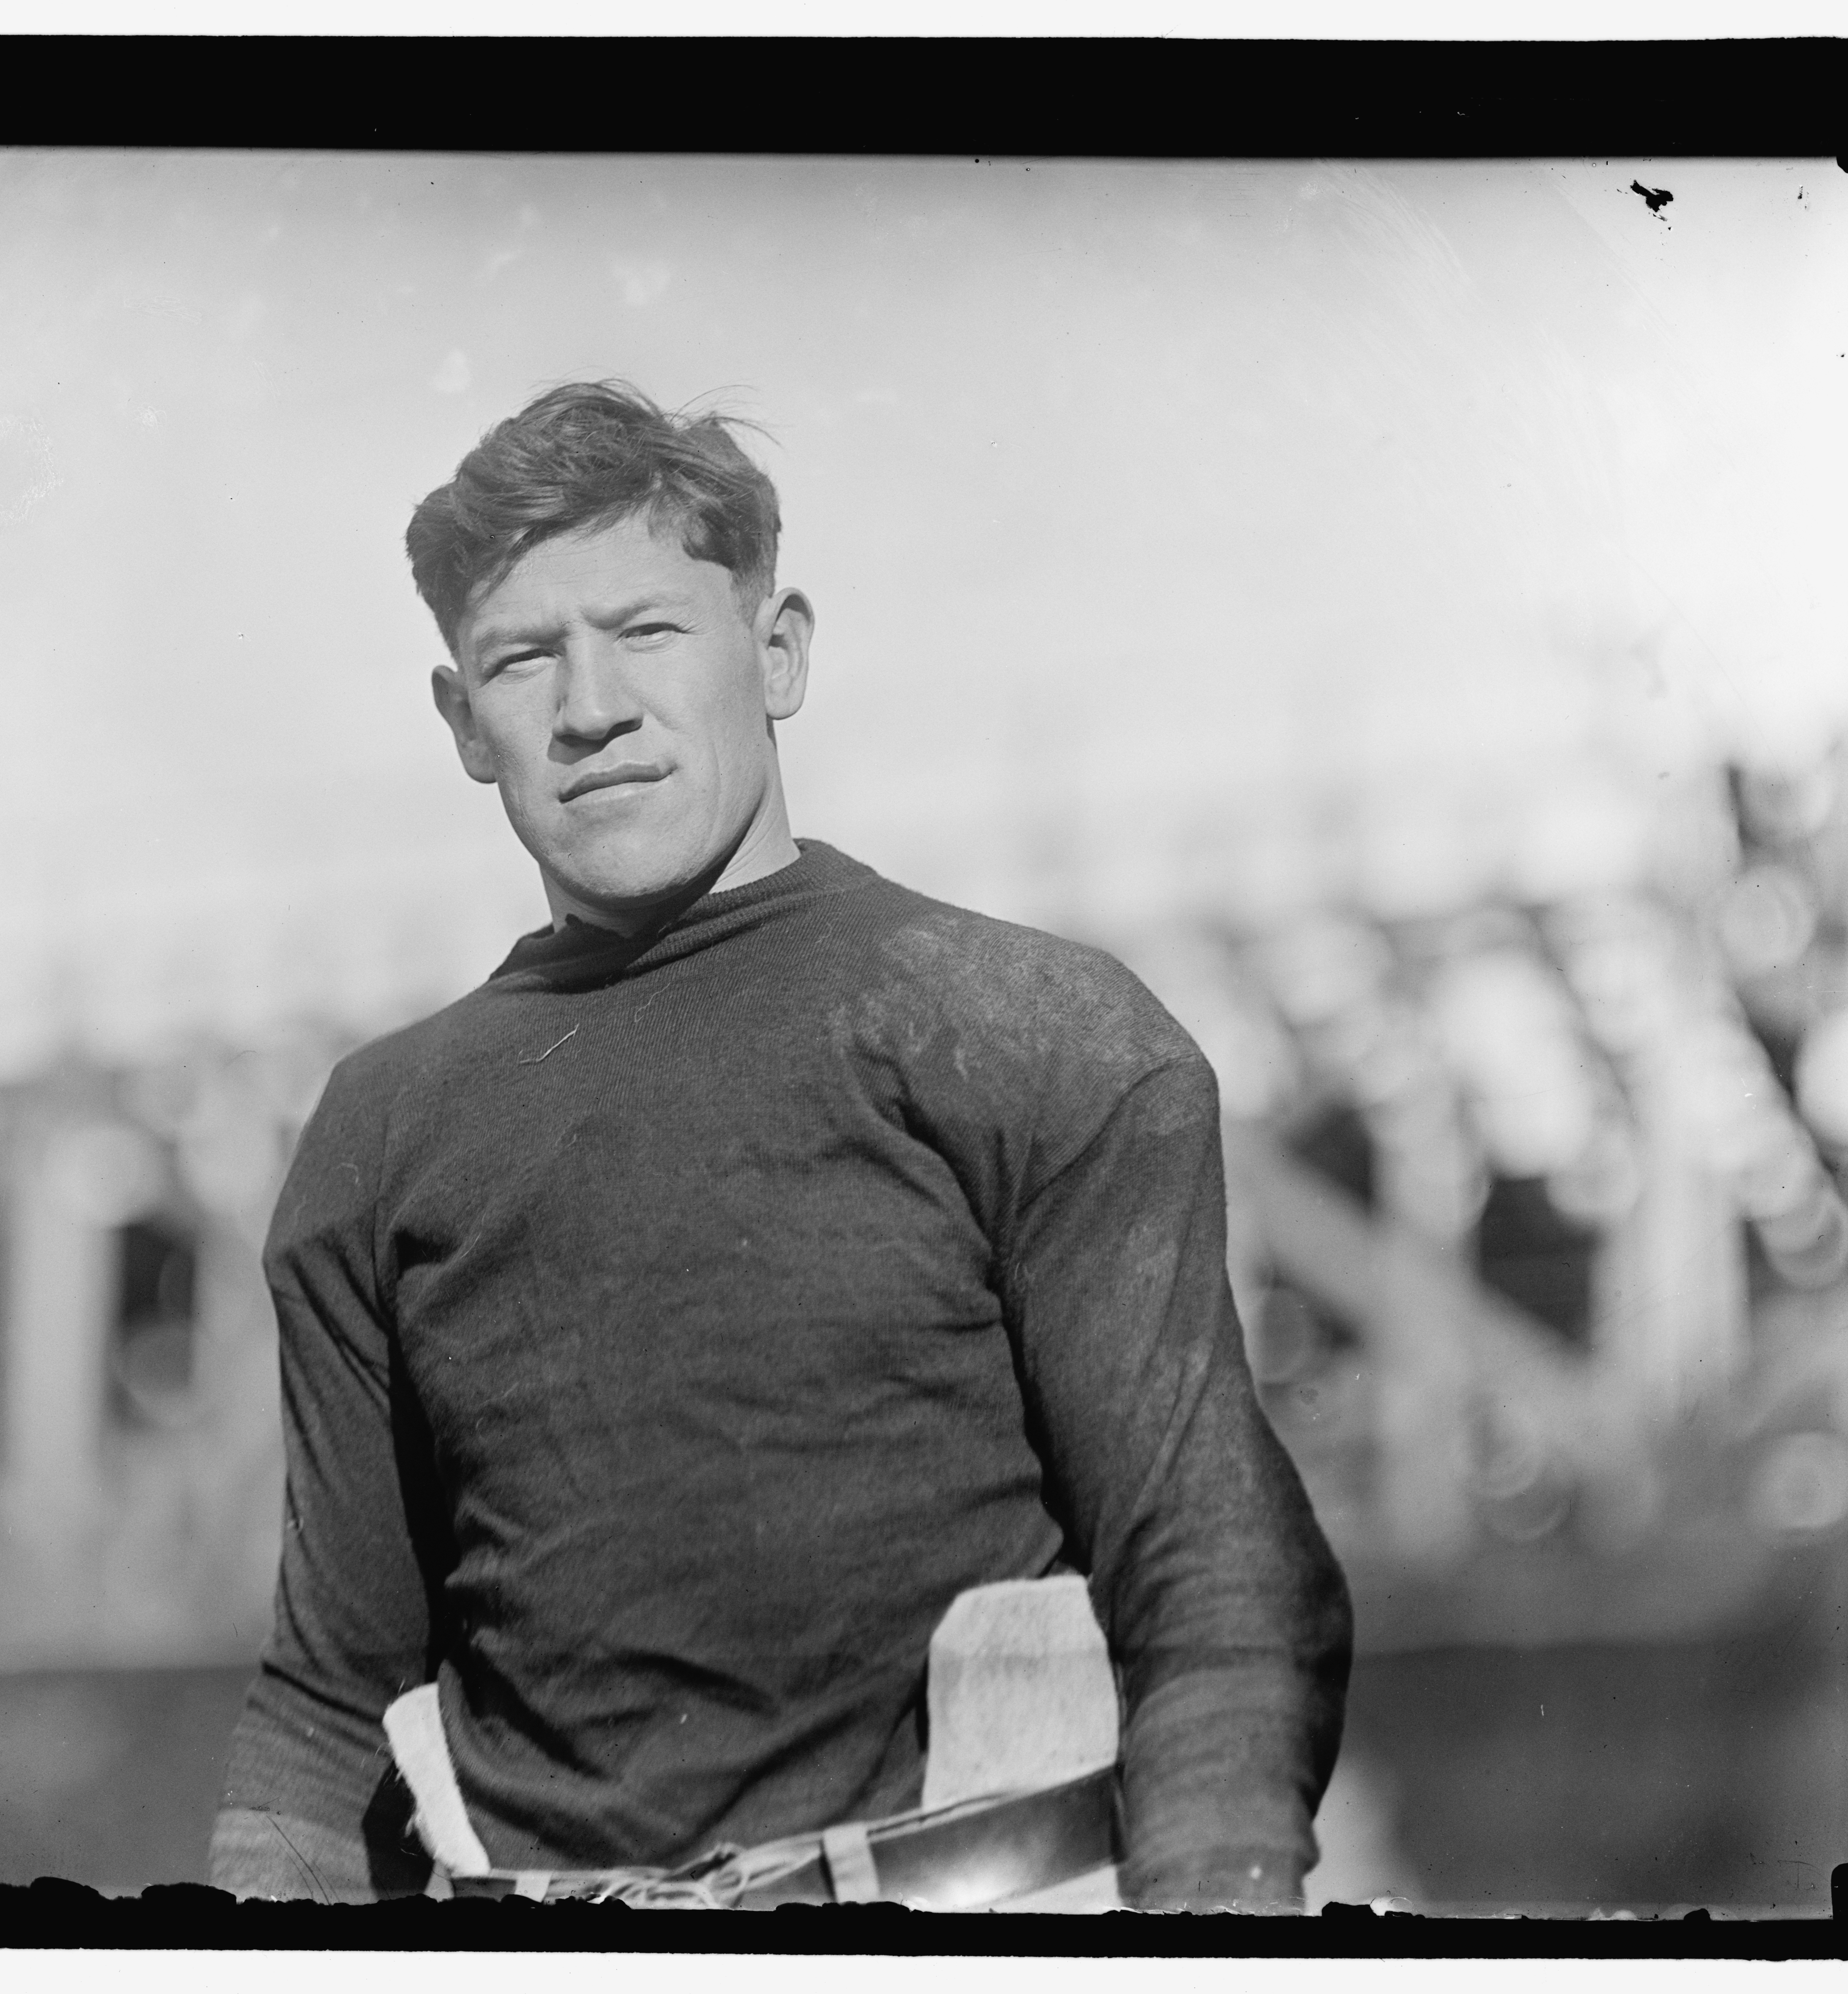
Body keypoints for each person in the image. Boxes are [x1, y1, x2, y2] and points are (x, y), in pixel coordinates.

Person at [209, 380, 1351, 1910]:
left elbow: (1215, 1579)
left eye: (649, 631)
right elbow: (329, 1698)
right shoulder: (381, 1130)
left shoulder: (1024, 1029)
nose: (590, 707)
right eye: (522, 658)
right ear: (462, 723)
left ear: (780, 648)